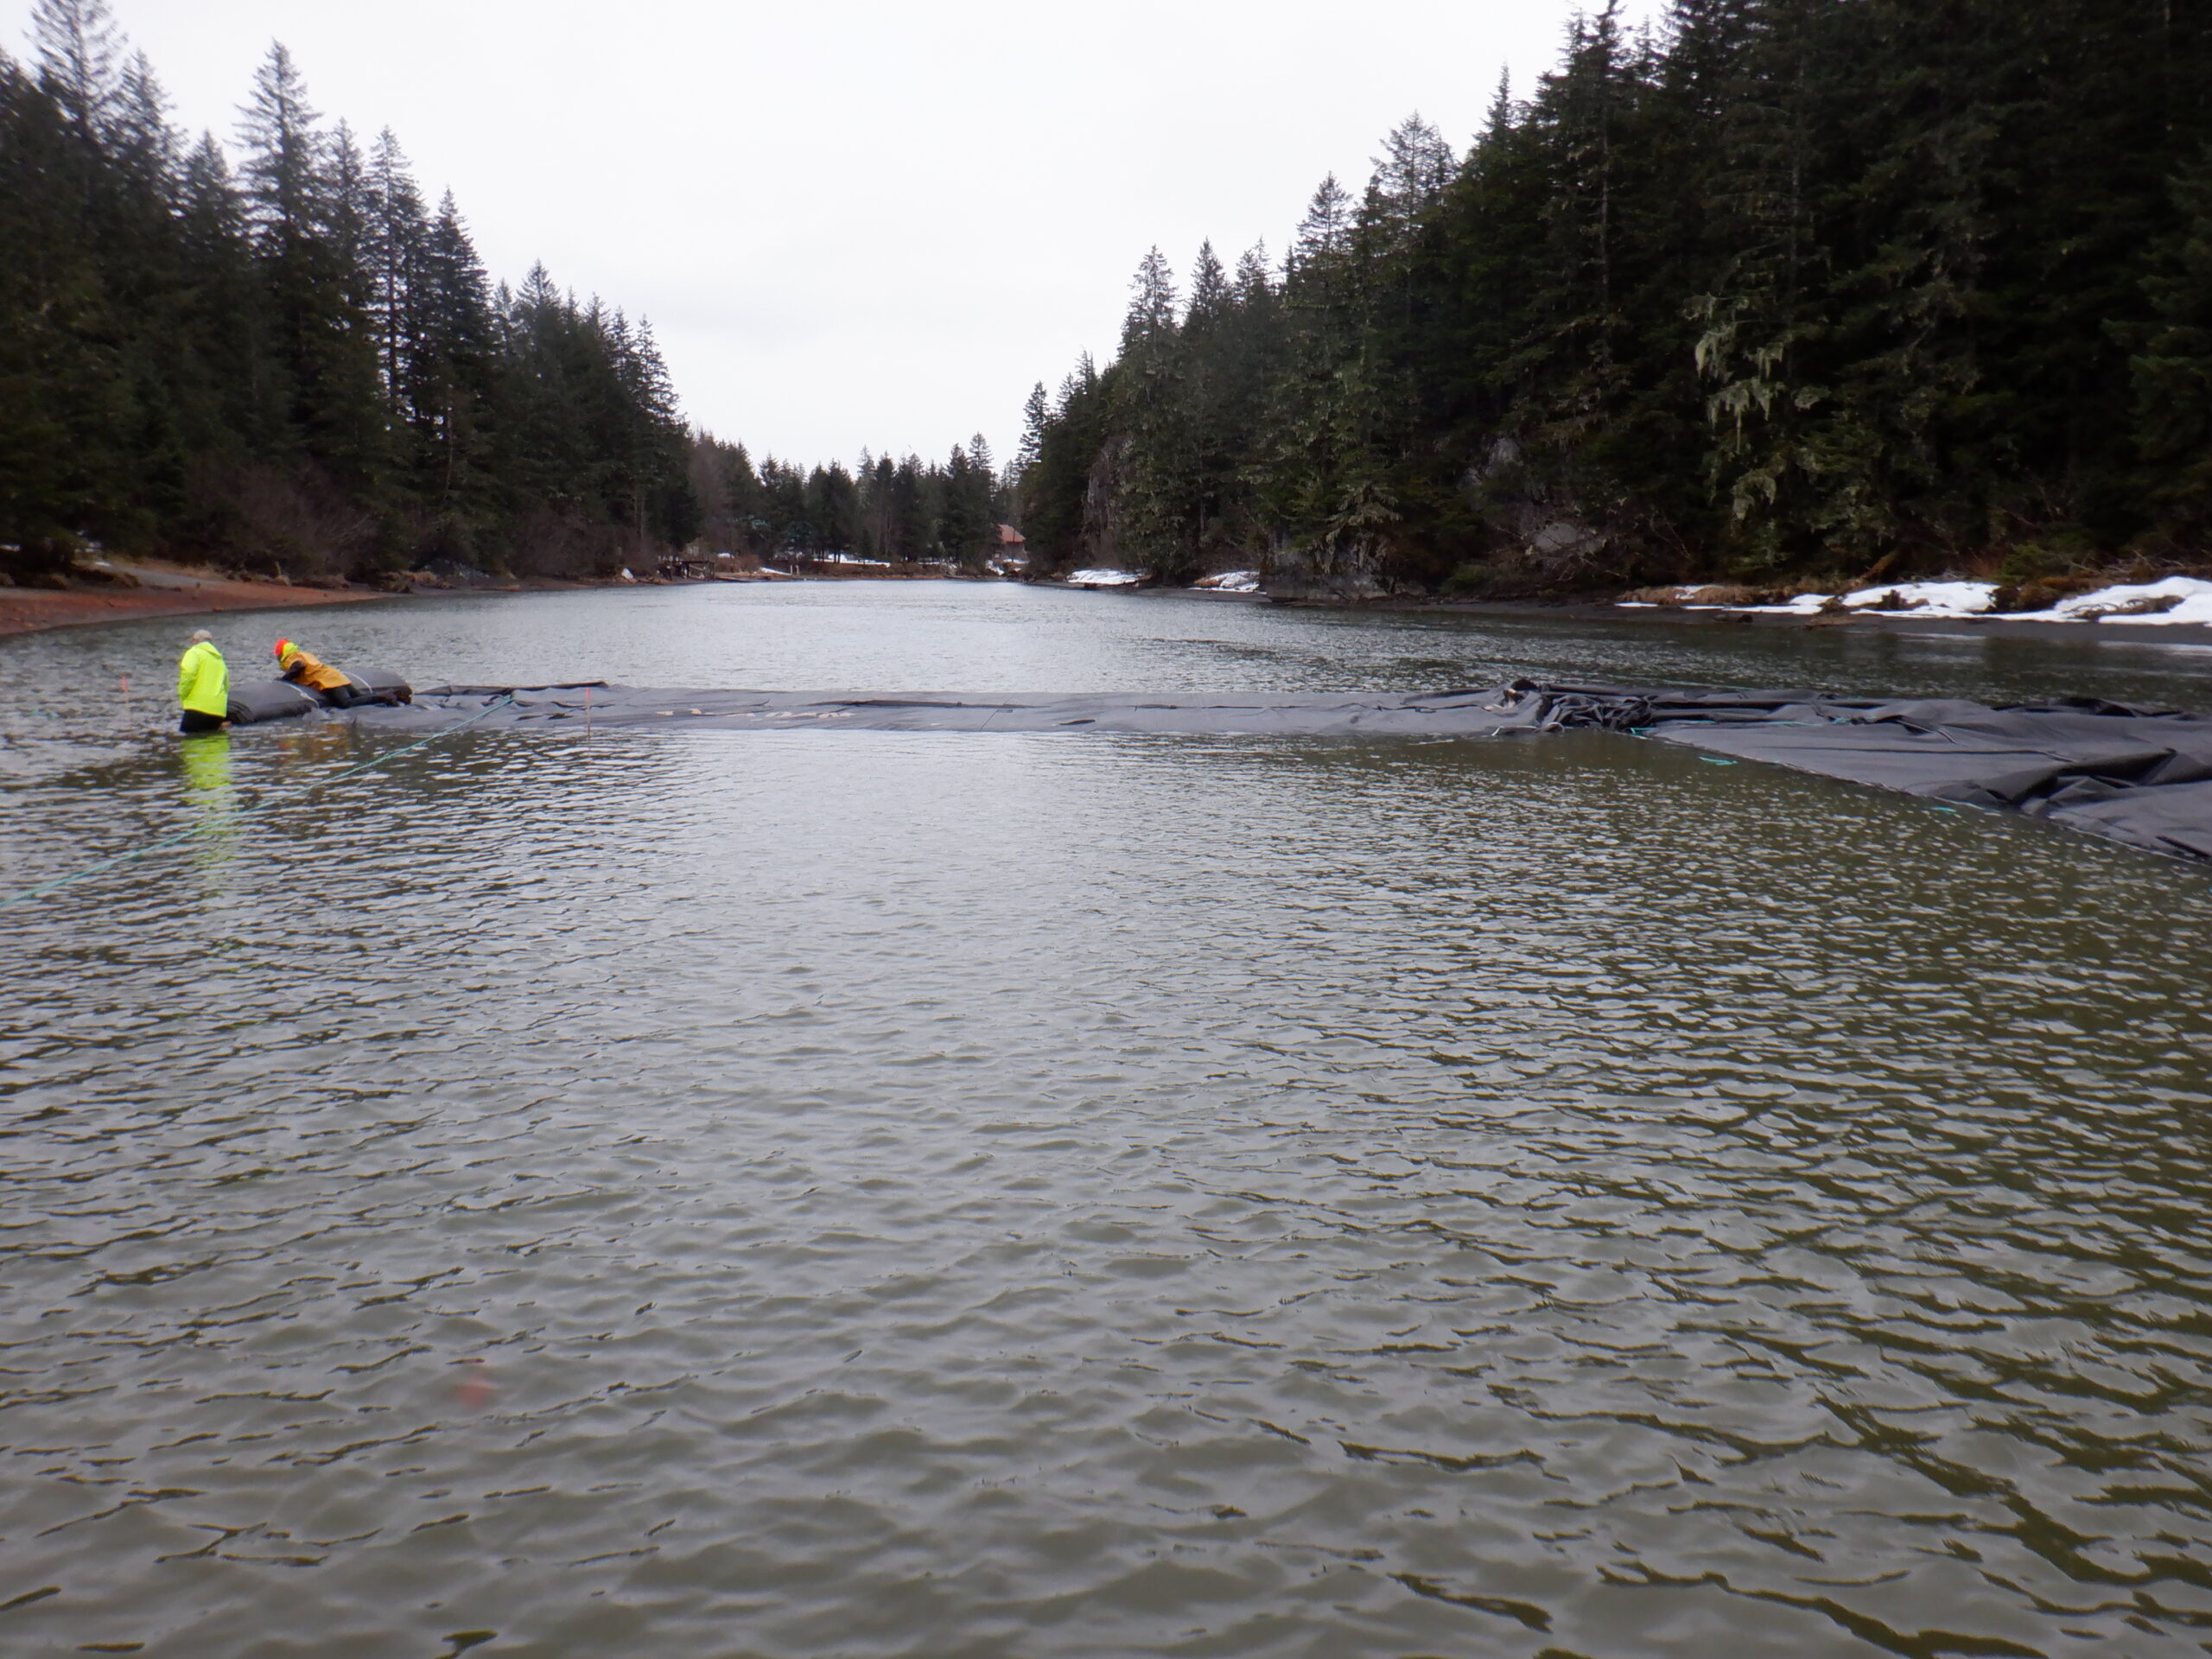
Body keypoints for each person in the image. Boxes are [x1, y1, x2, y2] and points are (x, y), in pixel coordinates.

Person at [275, 638, 365, 708]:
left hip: (330, 682)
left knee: (347, 703)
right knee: (360, 696)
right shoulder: (303, 654)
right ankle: (378, 699)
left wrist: (284, 680)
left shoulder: (291, 658)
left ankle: (380, 697)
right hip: (336, 676)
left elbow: (299, 666)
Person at [176, 629, 228, 734]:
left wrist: (183, 695)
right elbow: (226, 686)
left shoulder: (194, 652)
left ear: (195, 641)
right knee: (214, 743)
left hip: (197, 707)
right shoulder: (219, 660)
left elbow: (189, 675)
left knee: (189, 742)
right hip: (218, 711)